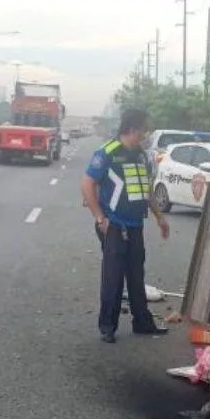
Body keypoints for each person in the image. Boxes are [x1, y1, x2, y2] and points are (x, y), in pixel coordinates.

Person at [81, 108, 171, 343]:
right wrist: (100, 218)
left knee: (136, 275)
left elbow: (146, 189)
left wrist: (160, 217)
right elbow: (87, 184)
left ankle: (142, 322)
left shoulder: (141, 155)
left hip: (135, 225)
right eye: (144, 129)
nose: (146, 134)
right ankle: (107, 327)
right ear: (132, 129)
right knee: (113, 277)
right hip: (114, 225)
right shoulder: (107, 152)